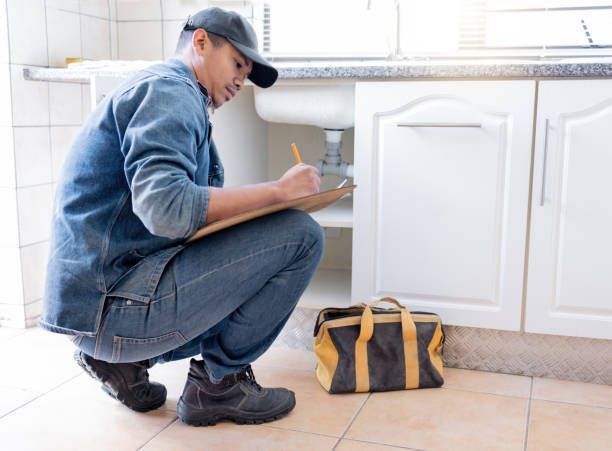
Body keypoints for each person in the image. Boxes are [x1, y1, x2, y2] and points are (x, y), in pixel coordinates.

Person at [40, 7, 323, 426]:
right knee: (302, 235)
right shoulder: (170, 92)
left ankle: (125, 365)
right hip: (111, 311)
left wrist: (261, 213)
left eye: (246, 72)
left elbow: (181, 217)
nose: (241, 80)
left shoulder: (172, 95)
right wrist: (279, 193)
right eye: (237, 63)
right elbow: (167, 209)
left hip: (100, 309)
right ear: (201, 41)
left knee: (267, 238)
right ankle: (217, 385)